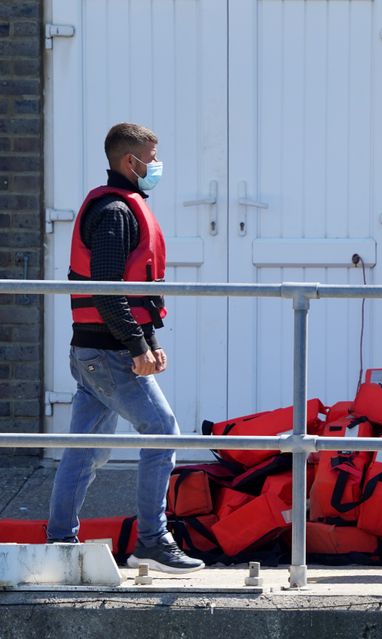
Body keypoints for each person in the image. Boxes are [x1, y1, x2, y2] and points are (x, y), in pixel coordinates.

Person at [46, 123, 204, 574]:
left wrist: (149, 340)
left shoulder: (120, 206)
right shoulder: (116, 212)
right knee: (163, 430)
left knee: (84, 449)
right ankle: (152, 541)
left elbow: (134, 289)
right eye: (151, 157)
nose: (156, 165)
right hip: (110, 352)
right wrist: (137, 345)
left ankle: (59, 543)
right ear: (128, 162)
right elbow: (107, 291)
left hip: (94, 351)